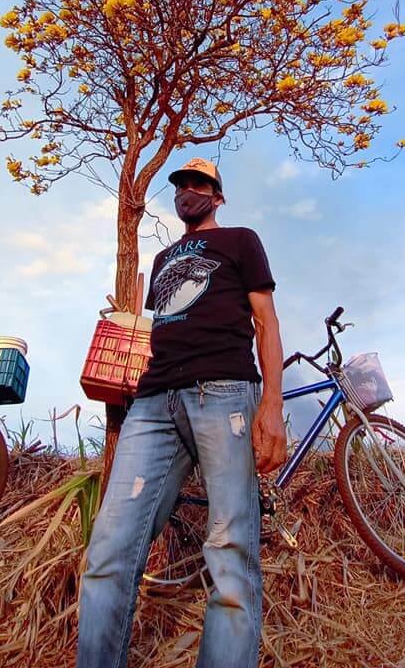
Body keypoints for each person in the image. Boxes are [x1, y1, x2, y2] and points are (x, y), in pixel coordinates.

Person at [76, 157, 287, 668]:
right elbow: (162, 330)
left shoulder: (241, 240)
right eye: (182, 184)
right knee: (108, 551)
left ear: (217, 196)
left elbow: (266, 323)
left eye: (200, 184)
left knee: (231, 551)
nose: (188, 190)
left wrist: (272, 404)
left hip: (223, 392)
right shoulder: (167, 257)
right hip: (153, 403)